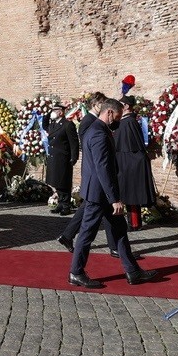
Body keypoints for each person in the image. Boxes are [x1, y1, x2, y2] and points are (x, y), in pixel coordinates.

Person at [68, 98, 157, 289]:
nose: (118, 120)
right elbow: (103, 168)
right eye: (117, 117)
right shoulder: (98, 133)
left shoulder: (98, 130)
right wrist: (114, 198)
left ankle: (132, 271)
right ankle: (76, 272)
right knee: (87, 233)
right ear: (109, 113)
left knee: (120, 231)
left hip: (103, 193)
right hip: (99, 195)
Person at [55, 92, 120, 257]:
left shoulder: (95, 121)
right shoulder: (89, 122)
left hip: (96, 176)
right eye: (102, 104)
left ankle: (68, 236)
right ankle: (75, 251)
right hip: (95, 173)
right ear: (96, 104)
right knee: (91, 221)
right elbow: (89, 147)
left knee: (93, 211)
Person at [113, 95, 156, 231]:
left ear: (126, 106)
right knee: (127, 194)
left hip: (130, 163)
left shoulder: (129, 122)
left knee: (131, 195)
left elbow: (134, 145)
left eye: (120, 104)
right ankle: (130, 222)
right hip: (125, 161)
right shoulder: (125, 121)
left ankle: (134, 223)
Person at [45, 104, 79, 215]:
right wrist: (48, 112)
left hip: (63, 158)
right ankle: (60, 203)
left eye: (54, 110)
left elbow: (73, 143)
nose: (52, 112)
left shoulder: (67, 125)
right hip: (53, 157)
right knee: (56, 182)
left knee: (63, 182)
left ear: (61, 112)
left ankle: (66, 205)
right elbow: (44, 124)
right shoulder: (53, 124)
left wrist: (74, 157)